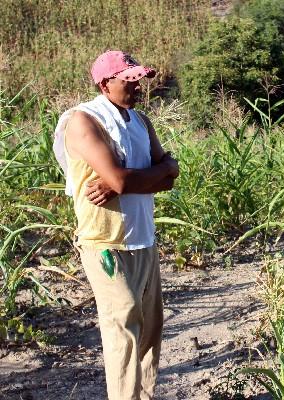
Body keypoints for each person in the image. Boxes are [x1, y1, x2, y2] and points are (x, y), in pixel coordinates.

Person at [53, 50, 179, 399]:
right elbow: (129, 180)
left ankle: (145, 395)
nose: (139, 86)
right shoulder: (84, 121)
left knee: (151, 328)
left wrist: (153, 174)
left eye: (140, 79)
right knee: (122, 325)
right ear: (105, 83)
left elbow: (168, 177)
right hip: (106, 241)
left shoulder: (139, 121)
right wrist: (154, 172)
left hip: (144, 238)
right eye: (130, 79)